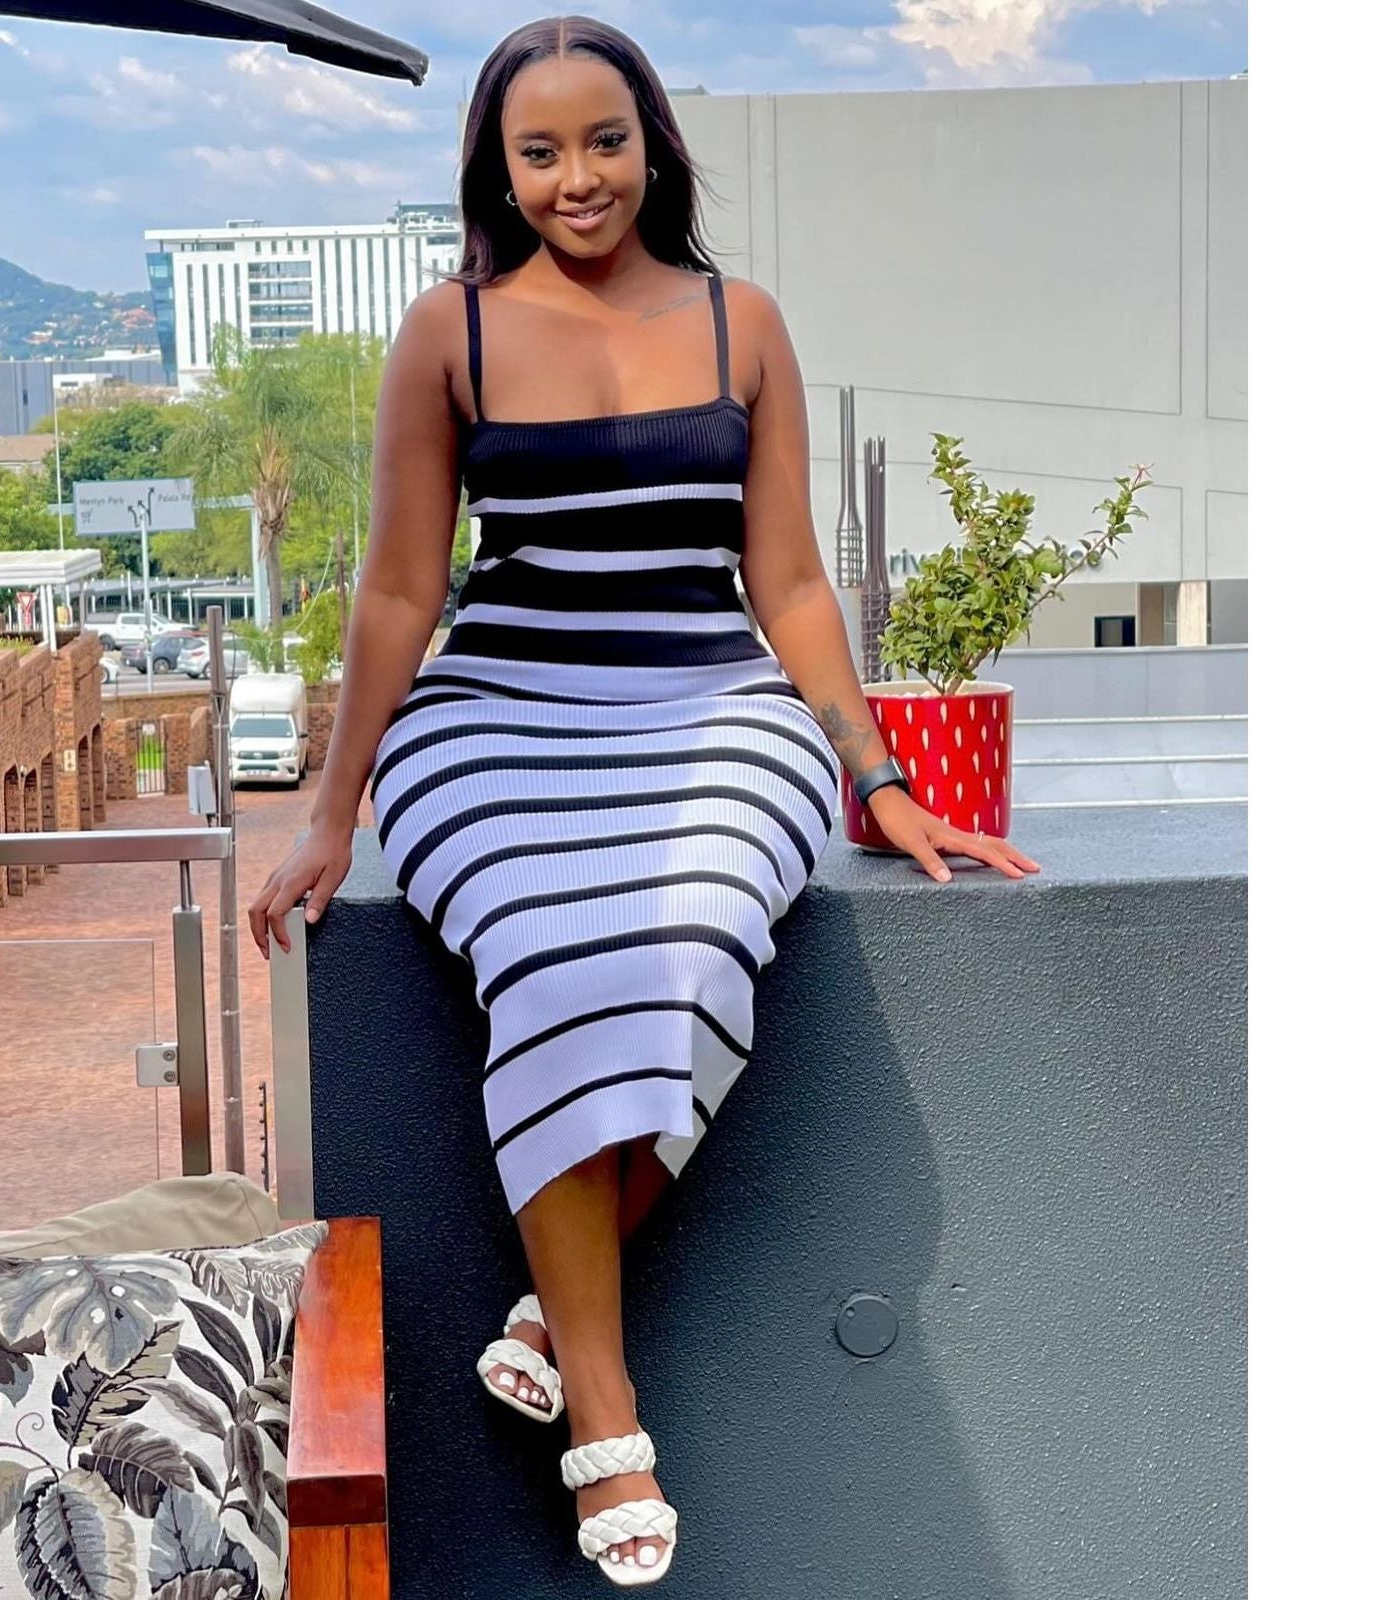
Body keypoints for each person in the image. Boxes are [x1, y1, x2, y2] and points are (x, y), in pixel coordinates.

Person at [248, 14, 1042, 1586]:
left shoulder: (743, 324)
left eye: (603, 142)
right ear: (497, 170)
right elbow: (401, 590)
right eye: (539, 152)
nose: (577, 179)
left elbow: (790, 581)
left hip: (712, 704)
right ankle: (607, 1417)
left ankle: (556, 1316)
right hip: (496, 715)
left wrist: (877, 778)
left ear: (653, 147)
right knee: (549, 952)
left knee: (692, 939)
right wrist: (334, 808)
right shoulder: (450, 333)